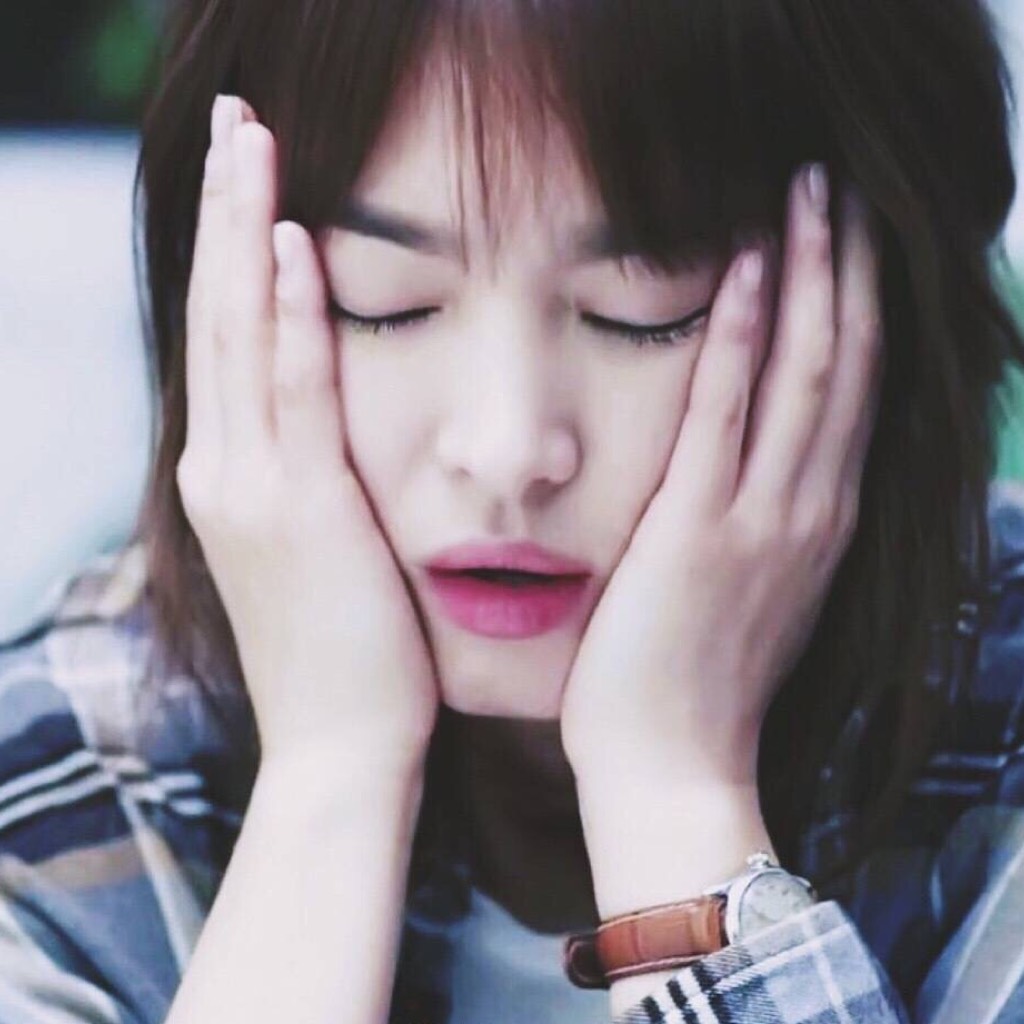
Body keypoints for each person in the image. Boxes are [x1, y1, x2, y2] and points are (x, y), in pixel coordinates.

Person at [2, 0, 1024, 1021]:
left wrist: (678, 798)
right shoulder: (69, 772)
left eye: (641, 308)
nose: (505, 447)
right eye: (384, 298)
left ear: (885, 290)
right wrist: (327, 783)